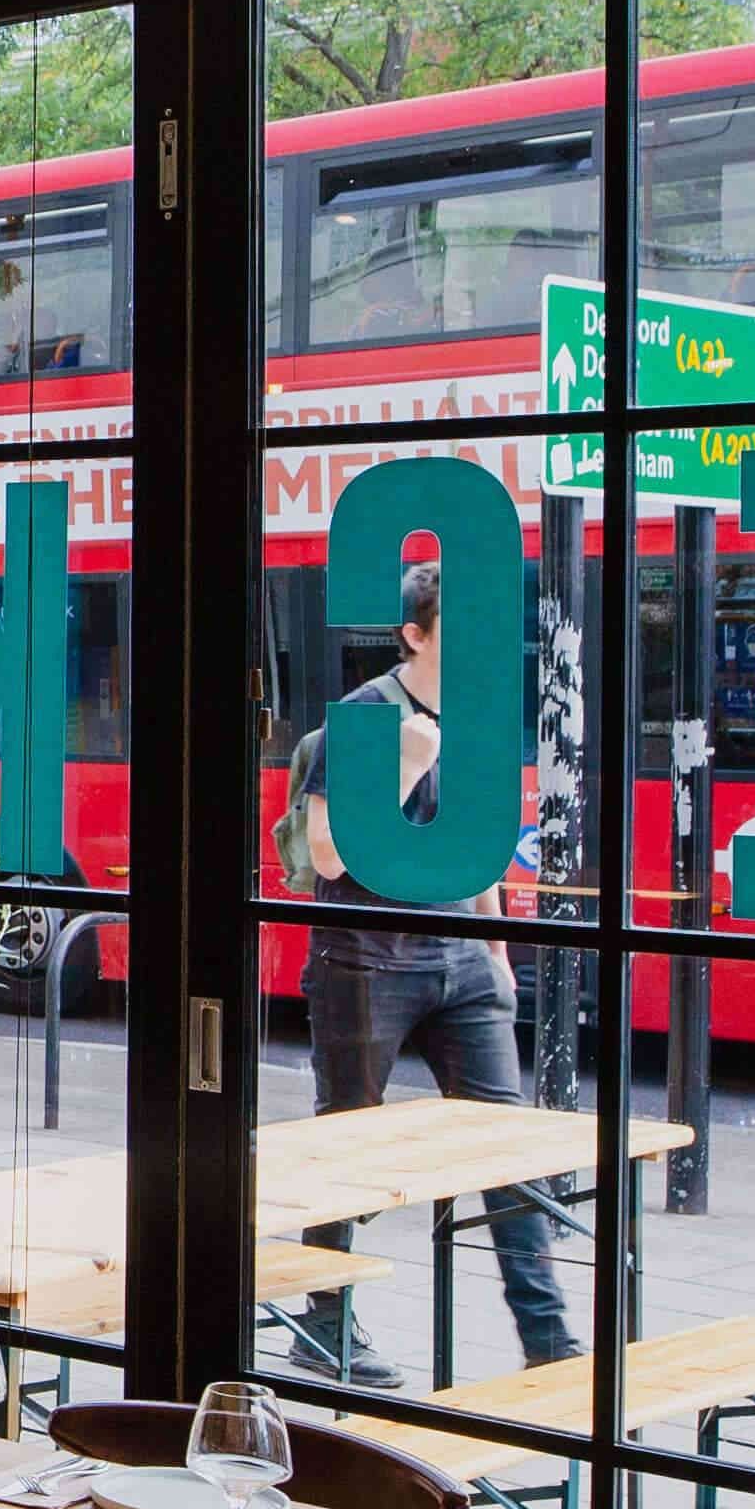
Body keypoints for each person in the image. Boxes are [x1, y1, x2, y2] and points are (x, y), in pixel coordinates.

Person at [278, 560, 577, 1382]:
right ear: (415, 635)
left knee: (504, 1152)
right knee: (346, 1144)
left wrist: (498, 954)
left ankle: (549, 1343)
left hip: (463, 964)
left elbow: (478, 852)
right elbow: (331, 854)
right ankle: (324, 1324)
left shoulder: (478, 718)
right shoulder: (366, 720)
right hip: (367, 961)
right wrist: (407, 764)